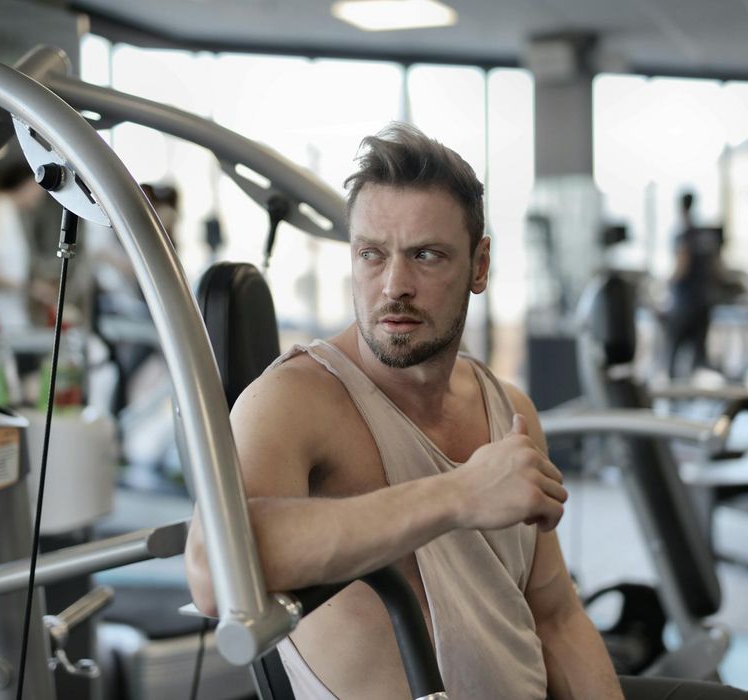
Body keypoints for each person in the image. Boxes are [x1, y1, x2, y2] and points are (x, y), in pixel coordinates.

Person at [185, 125, 746, 699]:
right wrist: (460, 494)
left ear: (480, 267)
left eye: (425, 255)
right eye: (372, 254)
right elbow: (211, 573)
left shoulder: (508, 409)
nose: (394, 285)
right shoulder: (295, 398)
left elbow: (555, 616)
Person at [0, 162, 47, 334]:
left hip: (6, 315)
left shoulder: (6, 210)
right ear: (25, 184)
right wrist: (31, 288)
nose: (41, 194)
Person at [666, 191, 722, 378]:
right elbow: (717, 269)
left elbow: (682, 267)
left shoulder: (684, 234)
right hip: (704, 300)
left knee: (673, 353)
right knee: (699, 355)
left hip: (685, 303)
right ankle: (696, 389)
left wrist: (665, 283)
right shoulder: (707, 235)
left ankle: (674, 390)